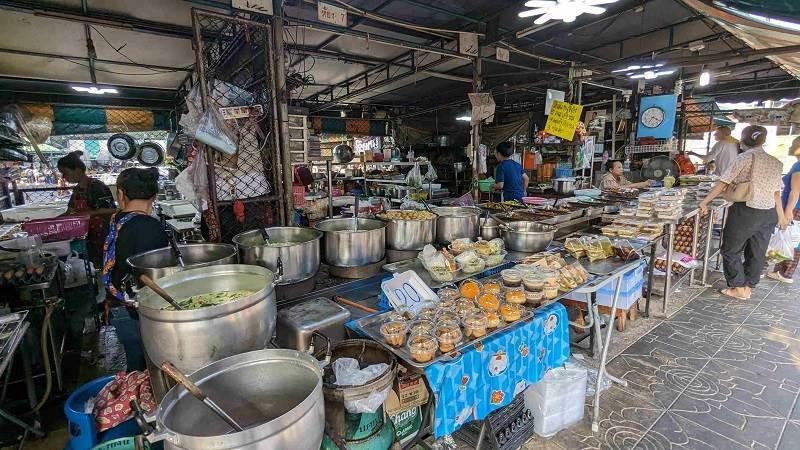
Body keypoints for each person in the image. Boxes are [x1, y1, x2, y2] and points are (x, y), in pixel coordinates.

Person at [699, 125, 787, 300]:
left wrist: (704, 202)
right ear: (763, 140)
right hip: (769, 213)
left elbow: (723, 183)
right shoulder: (776, 162)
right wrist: (781, 215)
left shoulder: (744, 158)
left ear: (744, 139)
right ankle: (748, 287)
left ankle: (738, 287)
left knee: (730, 250)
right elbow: (777, 192)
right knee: (757, 251)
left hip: (747, 210)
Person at [101, 167, 168, 371]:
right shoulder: (151, 227)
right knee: (150, 366)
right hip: (138, 313)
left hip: (117, 305)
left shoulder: (116, 220)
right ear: (154, 197)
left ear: (121, 194)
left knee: (135, 364)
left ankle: (133, 398)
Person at [57, 151, 116, 264]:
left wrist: (89, 213)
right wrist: (51, 221)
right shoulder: (77, 190)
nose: (63, 177)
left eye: (65, 172)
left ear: (78, 170)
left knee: (101, 264)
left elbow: (112, 210)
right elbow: (70, 212)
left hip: (101, 236)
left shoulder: (97, 186)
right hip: (85, 236)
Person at [768, 136, 800, 283]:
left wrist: (788, 211)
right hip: (796, 207)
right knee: (792, 239)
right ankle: (783, 271)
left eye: (793, 143)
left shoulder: (798, 166)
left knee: (791, 239)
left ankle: (785, 272)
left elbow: (795, 191)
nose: (790, 146)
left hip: (794, 208)